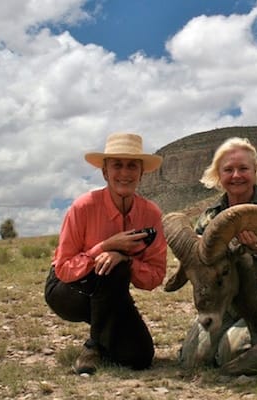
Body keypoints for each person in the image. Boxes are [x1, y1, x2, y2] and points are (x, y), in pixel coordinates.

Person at [44, 132, 167, 374]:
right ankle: (94, 346)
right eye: (117, 165)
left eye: (132, 165)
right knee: (113, 265)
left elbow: (155, 276)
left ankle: (103, 341)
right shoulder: (83, 206)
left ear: (141, 173)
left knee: (141, 357)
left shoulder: (151, 213)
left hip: (112, 292)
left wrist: (127, 260)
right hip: (68, 290)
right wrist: (105, 246)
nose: (125, 173)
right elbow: (64, 268)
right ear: (105, 172)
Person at [179, 137, 257, 367]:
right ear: (219, 176)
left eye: (243, 168)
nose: (236, 175)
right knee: (192, 359)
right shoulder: (210, 217)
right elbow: (199, 263)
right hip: (224, 301)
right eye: (228, 170)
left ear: (255, 171)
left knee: (228, 355)